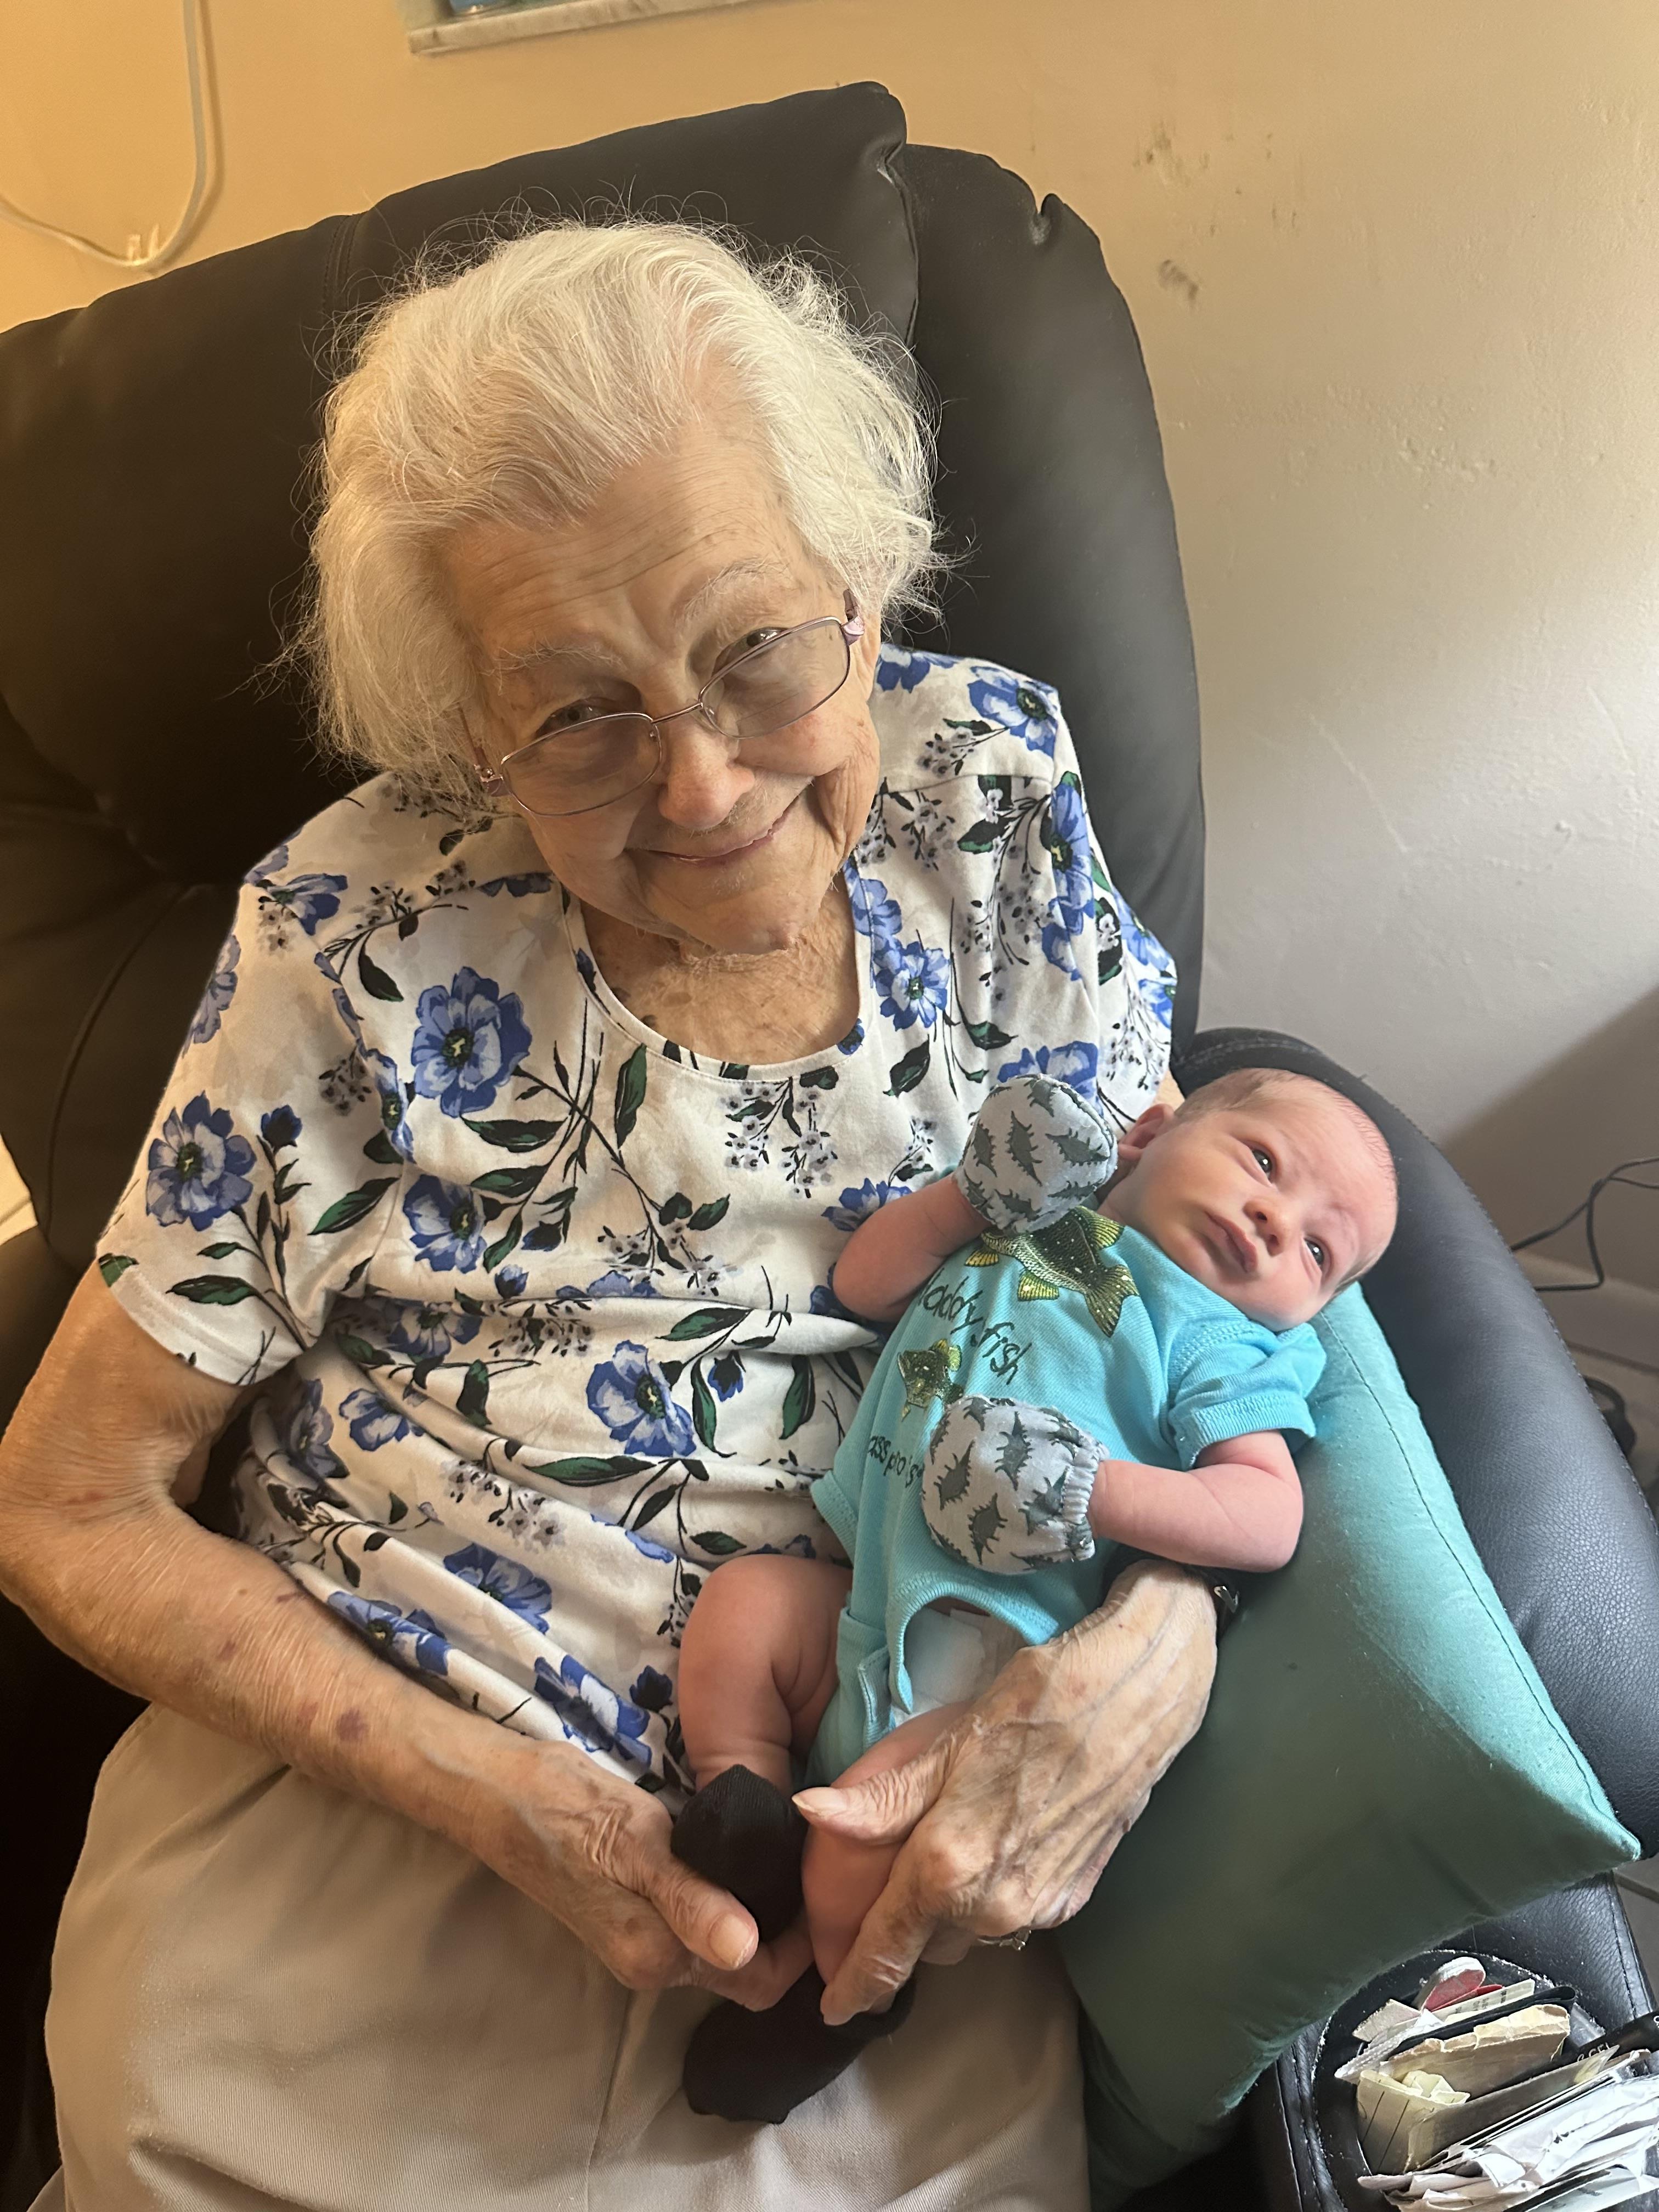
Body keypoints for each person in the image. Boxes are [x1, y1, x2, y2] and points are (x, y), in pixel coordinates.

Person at [0, 220, 1222, 2212]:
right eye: (576, 711)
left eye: (752, 646)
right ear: (468, 721)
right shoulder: (354, 931)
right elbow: (62, 1498)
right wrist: (505, 1803)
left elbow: (1213, 1278)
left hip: (875, 1843)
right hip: (381, 1826)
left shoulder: (990, 793)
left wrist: (1162, 1640)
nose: (704, 778)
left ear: (856, 574)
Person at [673, 1065, 1398, 2121]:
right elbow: (867, 1285)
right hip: (866, 1600)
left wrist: (1091, 1492)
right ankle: (744, 1813)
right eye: (1263, 1164)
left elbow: (1264, 1516)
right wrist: (971, 1194)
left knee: (854, 1850)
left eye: (1318, 1251)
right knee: (743, 1612)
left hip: (987, 1678)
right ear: (1147, 1132)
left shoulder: (1218, 1340)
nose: (1274, 1222)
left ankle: (821, 2005)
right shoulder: (1033, 1213)